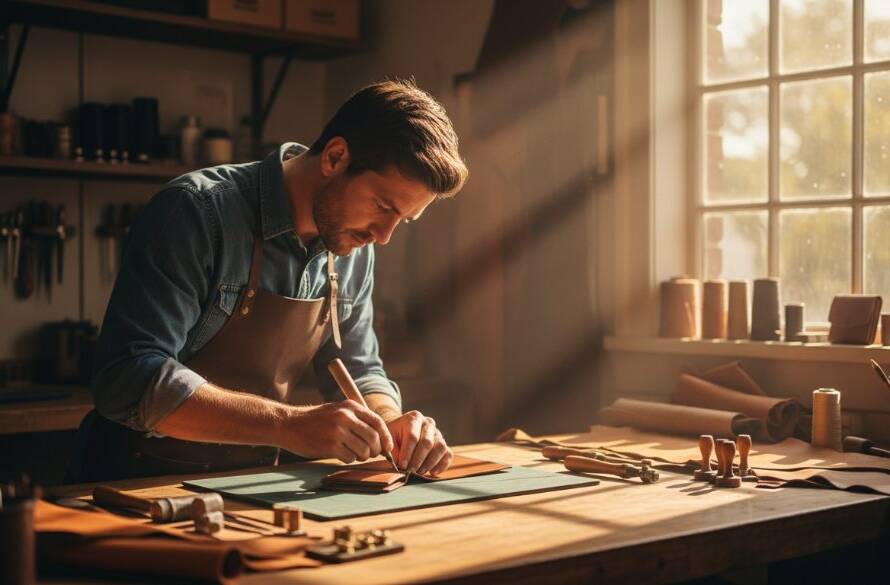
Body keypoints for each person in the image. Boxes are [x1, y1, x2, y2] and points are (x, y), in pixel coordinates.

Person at [67, 79, 468, 482]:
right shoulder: (197, 211)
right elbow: (128, 378)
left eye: (403, 220)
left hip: (250, 482)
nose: (383, 236)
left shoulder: (353, 244)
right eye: (382, 206)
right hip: (135, 482)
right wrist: (287, 425)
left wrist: (390, 420)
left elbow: (358, 368)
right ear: (335, 157)